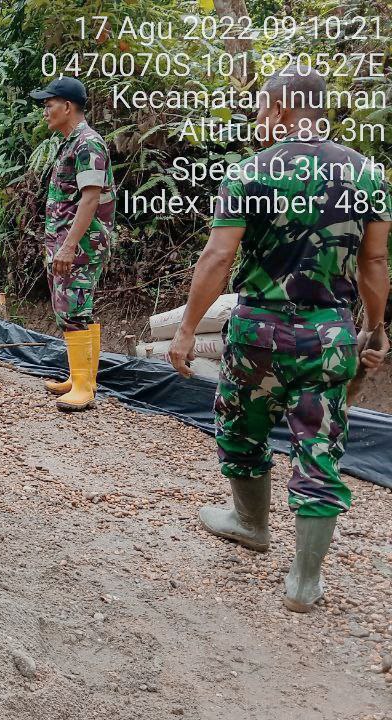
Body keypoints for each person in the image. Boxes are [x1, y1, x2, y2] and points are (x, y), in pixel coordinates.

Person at [168, 66, 389, 613]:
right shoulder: (367, 176)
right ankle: (304, 581)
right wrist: (375, 328)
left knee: (242, 422)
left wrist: (188, 328)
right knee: (319, 443)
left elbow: (218, 257)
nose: (257, 119)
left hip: (257, 331)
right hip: (329, 332)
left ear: (284, 108)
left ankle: (250, 522)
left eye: (262, 108)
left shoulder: (248, 173)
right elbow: (374, 261)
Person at [29, 76, 116, 412]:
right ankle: (82, 377)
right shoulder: (71, 143)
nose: (45, 112)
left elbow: (90, 199)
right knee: (77, 308)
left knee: (73, 308)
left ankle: (83, 387)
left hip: (80, 243)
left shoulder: (87, 144)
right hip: (68, 241)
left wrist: (68, 245)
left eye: (49, 105)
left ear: (67, 107)